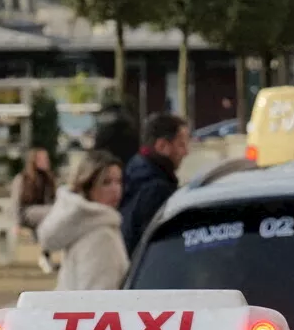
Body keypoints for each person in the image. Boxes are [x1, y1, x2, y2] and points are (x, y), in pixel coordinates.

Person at [37, 151, 129, 291]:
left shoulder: (82, 225)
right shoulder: (101, 235)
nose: (115, 189)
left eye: (119, 181)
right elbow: (97, 299)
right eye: (106, 182)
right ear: (88, 186)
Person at [119, 113, 191, 255]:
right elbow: (163, 247)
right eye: (181, 145)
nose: (186, 152)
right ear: (162, 146)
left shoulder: (134, 174)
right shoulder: (157, 190)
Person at [10, 147, 58, 274]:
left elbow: (53, 200)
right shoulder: (23, 178)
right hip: (26, 213)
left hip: (45, 215)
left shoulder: (48, 178)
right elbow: (16, 202)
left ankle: (46, 255)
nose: (47, 161)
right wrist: (16, 223)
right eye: (43, 159)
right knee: (51, 213)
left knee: (52, 216)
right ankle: (45, 255)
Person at [93, 103, 141, 168]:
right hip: (128, 165)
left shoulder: (104, 131)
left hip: (109, 165)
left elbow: (97, 151)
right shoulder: (130, 130)